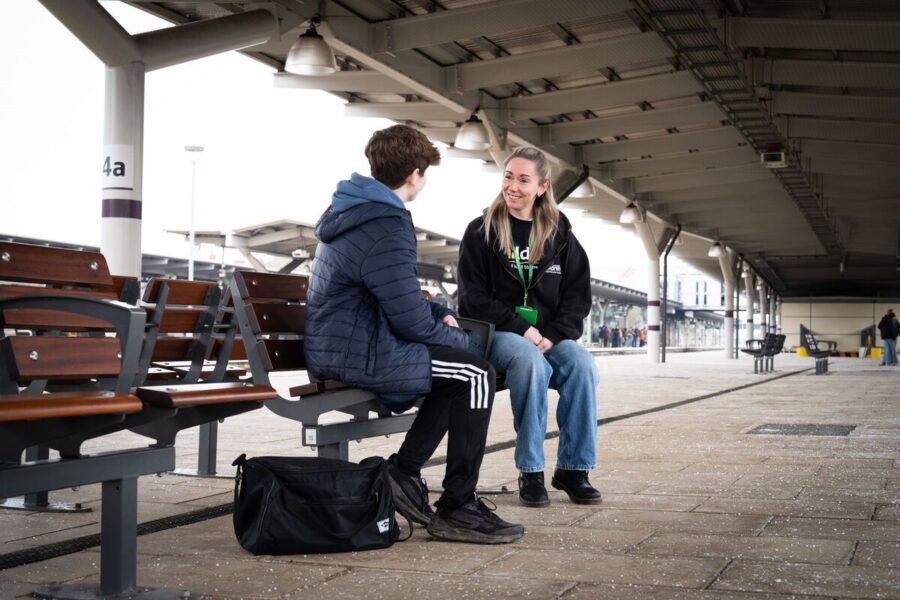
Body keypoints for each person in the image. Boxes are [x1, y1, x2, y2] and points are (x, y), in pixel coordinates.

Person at [304, 125, 524, 544]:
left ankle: (403, 472)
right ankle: (457, 506)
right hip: (359, 350)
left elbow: (399, 297)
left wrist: (440, 313)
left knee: (462, 374)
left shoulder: (355, 211)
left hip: (347, 343)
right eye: (425, 175)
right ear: (415, 174)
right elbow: (408, 322)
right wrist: (465, 343)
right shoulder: (386, 223)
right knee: (477, 373)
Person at [457, 146, 601, 508]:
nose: (513, 186)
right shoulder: (481, 231)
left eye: (524, 179)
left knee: (582, 365)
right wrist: (523, 328)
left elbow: (577, 296)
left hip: (548, 335)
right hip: (498, 334)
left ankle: (573, 468)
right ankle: (531, 470)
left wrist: (553, 334)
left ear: (542, 187)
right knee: (530, 362)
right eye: (508, 176)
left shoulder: (559, 233)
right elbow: (472, 298)